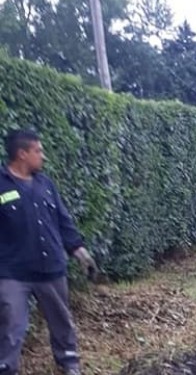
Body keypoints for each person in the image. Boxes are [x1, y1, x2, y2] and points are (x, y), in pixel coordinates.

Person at [0, 129, 97, 375]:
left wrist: (80, 252)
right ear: (22, 154)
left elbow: (63, 222)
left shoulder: (46, 184)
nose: (43, 156)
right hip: (13, 272)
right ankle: (6, 367)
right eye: (38, 151)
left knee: (61, 320)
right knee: (11, 324)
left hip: (51, 268)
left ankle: (69, 362)